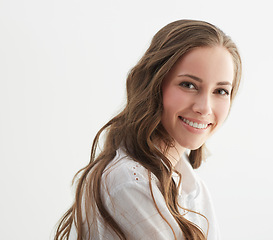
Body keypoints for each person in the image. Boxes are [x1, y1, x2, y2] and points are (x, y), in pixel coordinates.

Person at [54, 19, 242, 240]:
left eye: (221, 91)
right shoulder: (129, 181)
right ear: (154, 85)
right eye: (188, 85)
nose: (204, 108)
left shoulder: (193, 188)